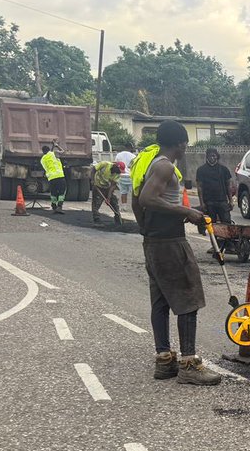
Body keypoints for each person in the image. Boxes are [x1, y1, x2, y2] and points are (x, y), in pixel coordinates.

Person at [130, 120, 221, 386]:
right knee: (188, 297)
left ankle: (164, 360)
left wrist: (145, 228)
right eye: (185, 144)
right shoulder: (165, 166)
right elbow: (147, 198)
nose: (185, 148)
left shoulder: (149, 163)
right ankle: (189, 364)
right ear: (180, 144)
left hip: (155, 241)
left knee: (160, 301)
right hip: (170, 242)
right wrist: (186, 211)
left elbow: (136, 199)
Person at [195, 148, 234, 238]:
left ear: (217, 156)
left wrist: (231, 201)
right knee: (211, 225)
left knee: (226, 223)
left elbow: (228, 186)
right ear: (207, 157)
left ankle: (227, 243)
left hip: (222, 201)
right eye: (210, 156)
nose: (212, 158)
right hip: (209, 202)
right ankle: (214, 243)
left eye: (214, 155)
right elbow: (199, 187)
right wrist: (202, 203)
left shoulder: (224, 169)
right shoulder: (201, 170)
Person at [91, 159, 124, 225]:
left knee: (114, 202)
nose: (119, 172)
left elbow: (112, 186)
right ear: (116, 167)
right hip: (98, 186)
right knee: (96, 203)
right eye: (119, 170)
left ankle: (118, 219)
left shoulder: (117, 175)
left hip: (107, 188)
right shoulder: (105, 164)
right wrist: (92, 180)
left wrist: (108, 198)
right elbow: (94, 169)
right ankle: (96, 219)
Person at [41, 143, 66, 213]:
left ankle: (54, 206)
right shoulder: (54, 153)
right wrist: (57, 145)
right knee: (62, 192)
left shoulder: (42, 159)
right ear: (49, 150)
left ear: (43, 152)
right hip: (59, 176)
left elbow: (48, 163)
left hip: (51, 178)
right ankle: (59, 206)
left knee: (53, 192)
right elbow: (63, 152)